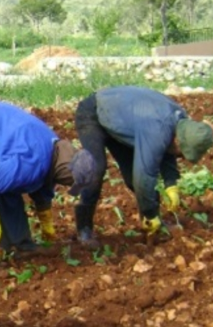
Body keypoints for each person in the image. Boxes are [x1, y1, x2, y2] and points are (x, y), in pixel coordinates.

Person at [0, 101, 96, 269]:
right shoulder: (29, 162)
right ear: (66, 174)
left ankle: (24, 246)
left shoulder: (59, 151)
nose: (66, 185)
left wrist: (46, 221)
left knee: (10, 185)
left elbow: (44, 181)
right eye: (69, 183)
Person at [74, 86, 213, 245]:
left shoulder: (180, 121)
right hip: (94, 113)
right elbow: (144, 176)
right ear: (180, 141)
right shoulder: (156, 130)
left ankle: (153, 220)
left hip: (123, 119)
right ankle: (84, 228)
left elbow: (169, 147)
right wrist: (150, 213)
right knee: (96, 169)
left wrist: (171, 183)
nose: (179, 156)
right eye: (182, 153)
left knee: (133, 177)